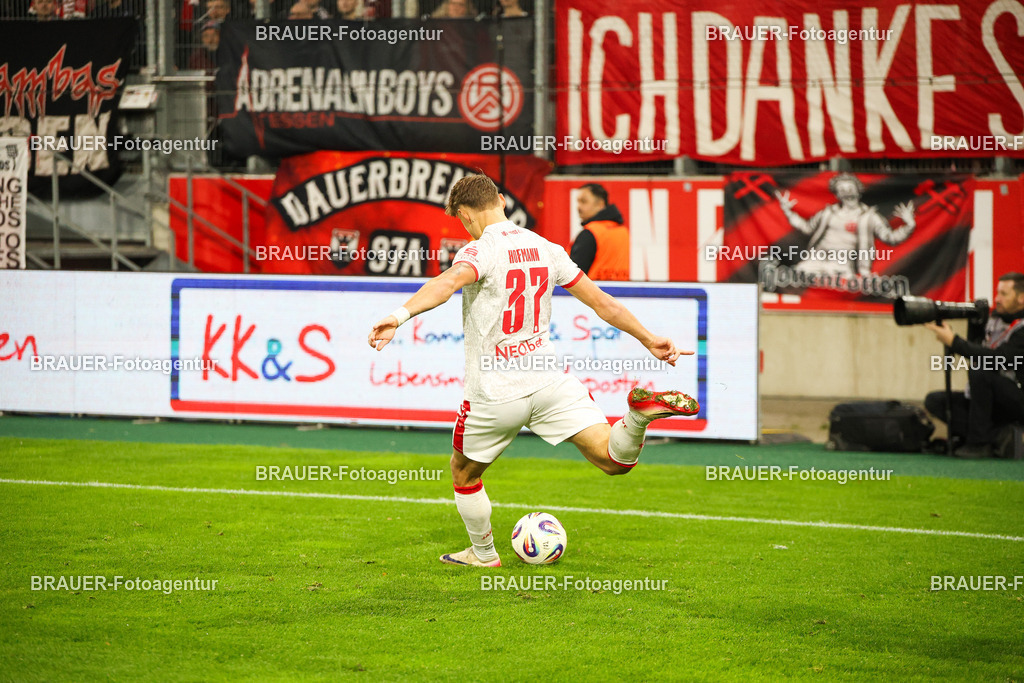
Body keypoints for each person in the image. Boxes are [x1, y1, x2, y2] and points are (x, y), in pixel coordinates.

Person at [368, 174, 699, 567]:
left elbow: (448, 282)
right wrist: (649, 339)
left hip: (496, 391)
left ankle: (484, 554)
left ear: (465, 214)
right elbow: (602, 302)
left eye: (461, 219)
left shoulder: (480, 250)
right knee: (613, 459)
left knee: (463, 472)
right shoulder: (546, 247)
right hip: (548, 380)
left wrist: (398, 315)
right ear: (503, 201)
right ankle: (636, 416)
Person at [924, 272, 1024, 458]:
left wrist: (955, 342)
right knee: (936, 401)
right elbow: (977, 351)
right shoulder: (995, 319)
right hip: (989, 399)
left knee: (981, 371)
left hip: (1017, 398)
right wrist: (975, 323)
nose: (997, 299)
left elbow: (997, 359)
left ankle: (979, 444)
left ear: (1021, 298)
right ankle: (999, 435)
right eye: (997, 293)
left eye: (1003, 294)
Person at [775, 173, 915, 278]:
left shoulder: (869, 216)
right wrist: (788, 212)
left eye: (849, 188)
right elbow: (807, 228)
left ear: (858, 191)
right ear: (837, 194)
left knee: (839, 286)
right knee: (798, 274)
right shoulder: (828, 213)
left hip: (842, 263)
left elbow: (890, 238)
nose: (846, 191)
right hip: (817, 258)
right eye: (841, 189)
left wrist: (909, 225)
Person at [570, 183, 629, 281]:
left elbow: (573, 276)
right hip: (620, 293)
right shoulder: (623, 231)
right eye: (578, 202)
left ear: (600, 204)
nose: (578, 207)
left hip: (593, 293)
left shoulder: (590, 234)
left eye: (584, 202)